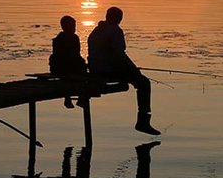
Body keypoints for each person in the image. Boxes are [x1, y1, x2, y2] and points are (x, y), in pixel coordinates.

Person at [87, 7, 161, 135]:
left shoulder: (96, 30)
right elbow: (119, 55)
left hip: (95, 69)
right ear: (119, 18)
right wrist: (133, 70)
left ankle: (143, 121)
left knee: (135, 77)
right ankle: (143, 121)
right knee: (144, 83)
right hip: (108, 70)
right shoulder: (115, 31)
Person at [49, 15, 87, 108]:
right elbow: (75, 56)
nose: (74, 28)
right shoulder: (74, 38)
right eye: (73, 26)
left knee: (70, 75)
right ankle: (81, 98)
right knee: (85, 76)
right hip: (68, 68)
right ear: (66, 27)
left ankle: (68, 98)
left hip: (58, 68)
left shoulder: (57, 39)